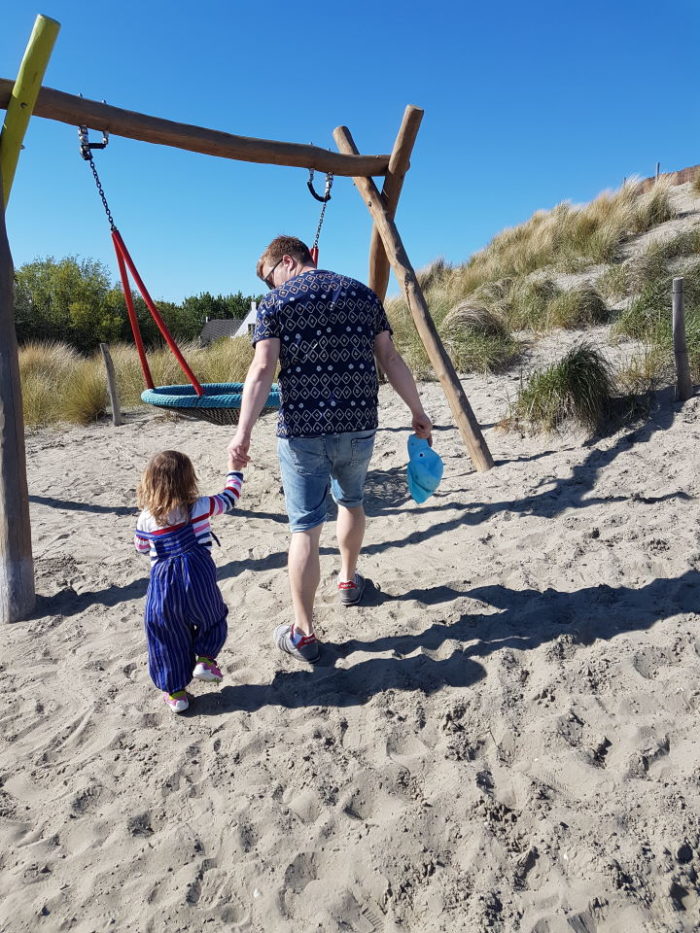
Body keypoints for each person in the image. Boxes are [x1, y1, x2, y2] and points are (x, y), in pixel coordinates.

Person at [227, 235, 432, 664]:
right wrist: (417, 409)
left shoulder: (277, 304)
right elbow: (390, 358)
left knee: (304, 529)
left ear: (288, 261)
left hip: (302, 431)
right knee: (352, 501)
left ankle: (303, 633)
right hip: (358, 424)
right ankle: (348, 582)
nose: (271, 288)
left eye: (271, 278)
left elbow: (263, 368)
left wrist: (242, 433)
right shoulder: (361, 294)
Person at [134, 450, 244, 713]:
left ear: (150, 482)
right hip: (199, 577)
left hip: (164, 585)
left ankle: (176, 694)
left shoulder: (146, 518)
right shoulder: (201, 506)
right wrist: (235, 470)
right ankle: (205, 660)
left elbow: (140, 547)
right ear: (189, 480)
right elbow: (230, 497)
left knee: (166, 634)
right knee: (213, 616)